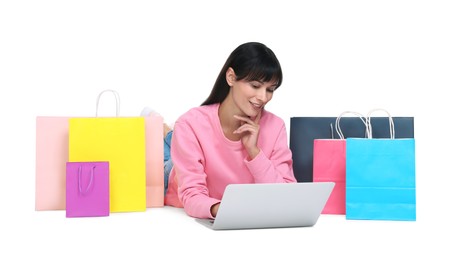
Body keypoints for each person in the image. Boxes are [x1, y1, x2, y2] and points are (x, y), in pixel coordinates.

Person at [146, 42, 297, 220]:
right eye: (255, 86)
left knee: (177, 138)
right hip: (171, 176)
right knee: (164, 156)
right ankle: (157, 125)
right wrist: (226, 210)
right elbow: (192, 195)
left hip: (192, 146)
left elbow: (287, 196)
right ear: (231, 77)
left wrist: (255, 152)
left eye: (270, 89)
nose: (263, 97)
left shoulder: (275, 126)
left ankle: (167, 132)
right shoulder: (191, 123)